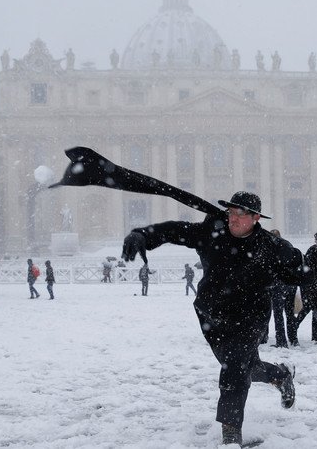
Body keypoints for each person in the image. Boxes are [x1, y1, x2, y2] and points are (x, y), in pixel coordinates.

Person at [120, 191, 301, 446]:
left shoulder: (271, 246)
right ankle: (281, 376)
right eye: (230, 213)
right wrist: (144, 234)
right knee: (245, 367)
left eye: (240, 214)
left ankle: (230, 436)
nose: (233, 219)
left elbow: (298, 272)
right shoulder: (211, 233)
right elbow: (175, 229)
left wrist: (300, 269)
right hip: (212, 315)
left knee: (235, 367)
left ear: (255, 217)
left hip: (250, 316)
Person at [290, 236, 317, 344]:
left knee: (312, 307)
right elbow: (313, 267)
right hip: (310, 284)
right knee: (311, 307)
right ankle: (296, 326)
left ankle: (313, 333)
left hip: (309, 283)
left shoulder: (315, 250)